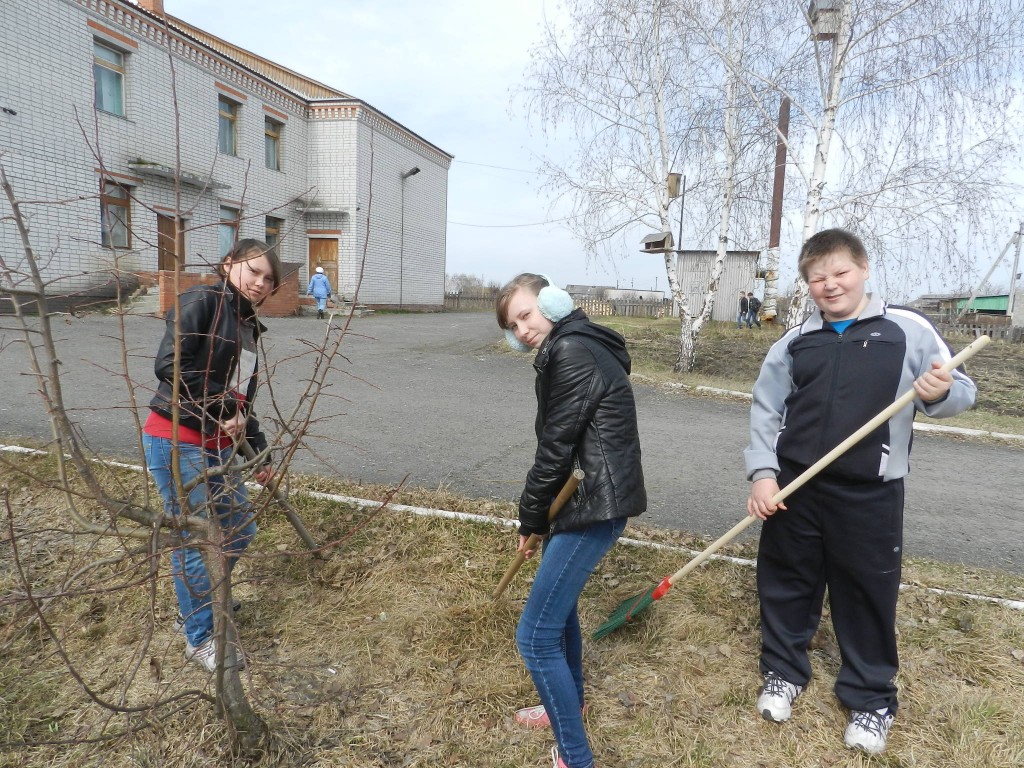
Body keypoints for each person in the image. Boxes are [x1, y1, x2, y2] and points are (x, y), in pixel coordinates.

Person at [744, 228, 977, 755]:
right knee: (786, 582)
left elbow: (961, 391)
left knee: (867, 593)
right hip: (795, 486)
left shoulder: (908, 330)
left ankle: (870, 699)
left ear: (864, 269)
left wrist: (940, 392)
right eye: (817, 278)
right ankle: (783, 672)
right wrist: (763, 474)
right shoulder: (794, 342)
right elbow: (766, 409)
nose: (830, 285)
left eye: (840, 273)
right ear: (807, 284)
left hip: (870, 493)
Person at [496, 274, 647, 768]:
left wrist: (530, 518)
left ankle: (575, 758)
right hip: (582, 501)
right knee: (558, 616)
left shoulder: (571, 350)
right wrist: (540, 517)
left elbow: (556, 449)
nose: (522, 330)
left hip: (591, 505)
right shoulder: (574, 343)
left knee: (534, 636)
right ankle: (569, 703)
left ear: (552, 302)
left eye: (526, 315)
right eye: (512, 325)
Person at [142, 239, 282, 672]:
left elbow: (240, 400)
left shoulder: (248, 327)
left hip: (217, 444)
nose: (259, 283)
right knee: (196, 538)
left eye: (268, 279)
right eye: (253, 271)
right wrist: (223, 408)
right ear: (228, 264)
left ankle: (199, 599)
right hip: (176, 436)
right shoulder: (202, 300)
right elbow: (171, 365)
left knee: (239, 529)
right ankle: (200, 635)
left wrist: (260, 452)